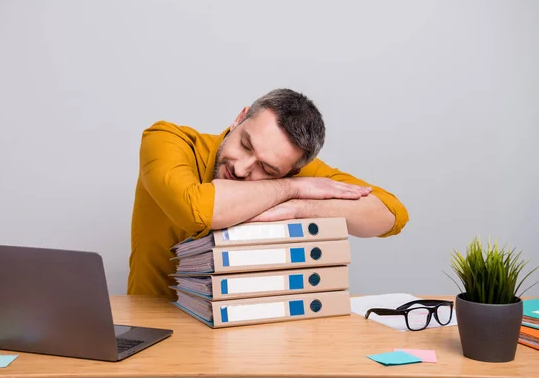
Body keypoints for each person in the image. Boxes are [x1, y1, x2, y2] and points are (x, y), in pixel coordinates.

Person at [127, 88, 409, 297]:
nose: (240, 169)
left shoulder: (293, 167)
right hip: (155, 325)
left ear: (293, 169)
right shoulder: (168, 139)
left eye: (267, 169)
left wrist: (300, 207)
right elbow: (197, 211)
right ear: (239, 119)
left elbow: (391, 215)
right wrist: (293, 188)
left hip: (248, 334)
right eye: (246, 145)